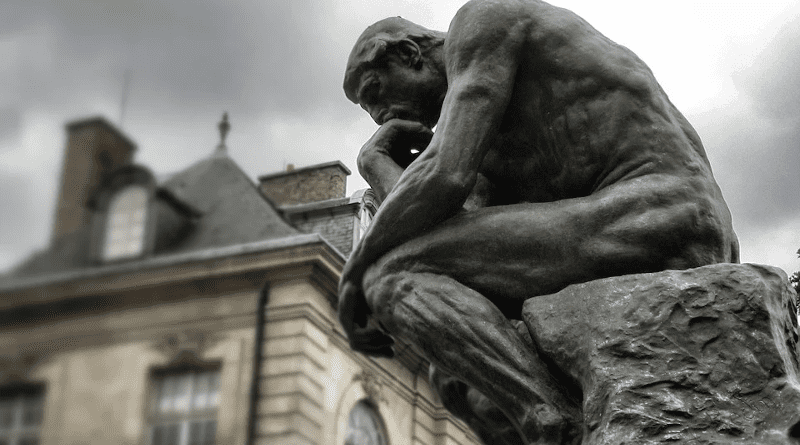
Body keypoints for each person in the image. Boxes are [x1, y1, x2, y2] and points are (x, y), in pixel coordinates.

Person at [339, 1, 739, 443]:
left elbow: (444, 177)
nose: (379, 116)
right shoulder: (481, 138)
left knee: (390, 279)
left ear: (409, 55)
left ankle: (549, 418)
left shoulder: (484, 21)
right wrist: (374, 162)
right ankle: (548, 417)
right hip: (613, 226)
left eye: (376, 92)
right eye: (366, 109)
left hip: (664, 209)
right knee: (460, 376)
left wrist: (355, 272)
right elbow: (448, 231)